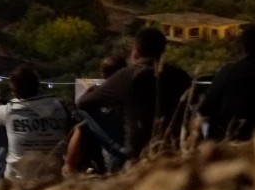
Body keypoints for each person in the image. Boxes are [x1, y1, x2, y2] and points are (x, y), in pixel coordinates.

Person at [76, 27, 191, 165]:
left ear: (136, 50)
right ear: (163, 51)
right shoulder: (181, 76)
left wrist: (93, 91)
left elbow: (83, 103)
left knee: (83, 111)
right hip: (174, 145)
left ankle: (118, 153)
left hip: (138, 150)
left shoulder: (129, 74)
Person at [0, 64, 69, 184]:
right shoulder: (60, 108)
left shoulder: (10, 110)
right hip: (52, 177)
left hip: (18, 181)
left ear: (16, 92)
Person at [64, 55, 126, 176]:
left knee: (81, 117)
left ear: (103, 75)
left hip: (117, 148)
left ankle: (70, 166)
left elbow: (81, 104)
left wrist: (91, 91)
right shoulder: (134, 87)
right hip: (136, 141)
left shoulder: (107, 92)